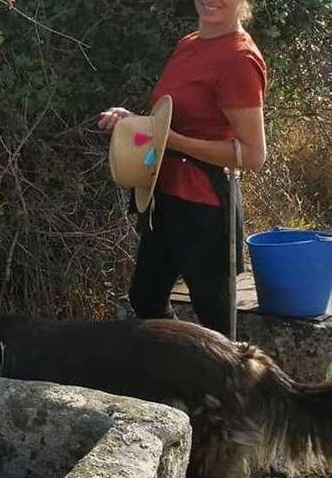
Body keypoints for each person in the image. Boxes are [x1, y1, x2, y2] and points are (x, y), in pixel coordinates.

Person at [98, 0, 268, 335]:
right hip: (163, 195)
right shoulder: (189, 44)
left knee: (216, 321)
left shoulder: (239, 59)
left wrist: (172, 142)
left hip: (204, 206)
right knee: (145, 300)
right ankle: (178, 374)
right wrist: (134, 123)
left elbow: (253, 155)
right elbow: (171, 123)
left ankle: (229, 384)